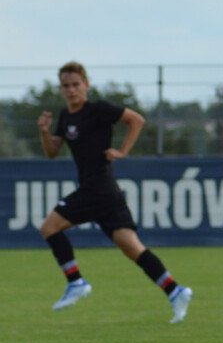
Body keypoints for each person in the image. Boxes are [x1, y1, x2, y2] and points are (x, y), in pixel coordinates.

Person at [38, 61, 193, 323]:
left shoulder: (98, 109)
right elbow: (52, 152)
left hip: (97, 188)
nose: (71, 90)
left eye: (76, 84)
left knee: (49, 227)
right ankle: (175, 290)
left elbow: (136, 119)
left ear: (86, 85)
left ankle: (75, 281)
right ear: (61, 89)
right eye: (66, 86)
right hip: (104, 190)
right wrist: (44, 132)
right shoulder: (65, 117)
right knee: (132, 247)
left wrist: (122, 151)